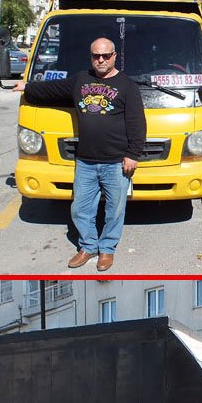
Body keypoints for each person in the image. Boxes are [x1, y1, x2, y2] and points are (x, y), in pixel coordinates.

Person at [65, 35, 146, 273]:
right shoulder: (80, 80)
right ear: (91, 57)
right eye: (95, 56)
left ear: (114, 56)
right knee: (80, 208)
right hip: (86, 161)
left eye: (105, 55)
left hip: (115, 162)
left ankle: (107, 249)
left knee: (115, 210)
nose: (100, 60)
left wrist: (133, 153)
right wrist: (26, 87)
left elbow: (137, 123)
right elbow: (51, 89)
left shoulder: (128, 85)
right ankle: (88, 246)